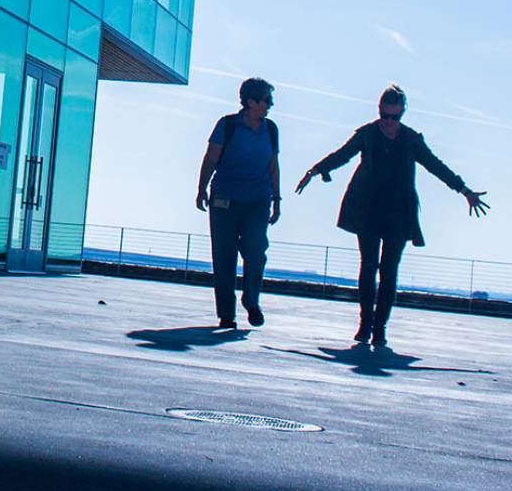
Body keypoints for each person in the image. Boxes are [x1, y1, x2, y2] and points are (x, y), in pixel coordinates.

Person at [295, 85, 487, 348]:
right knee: (368, 267)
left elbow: (436, 166)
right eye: (384, 115)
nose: (388, 122)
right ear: (379, 111)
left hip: (399, 213)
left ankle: (380, 328)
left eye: (394, 117)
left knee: (389, 271)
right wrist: (315, 170)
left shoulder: (411, 139)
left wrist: (464, 190)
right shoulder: (367, 134)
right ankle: (364, 324)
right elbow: (343, 154)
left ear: (402, 114)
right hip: (368, 210)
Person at [196, 77, 280, 329]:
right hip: (225, 198)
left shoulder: (271, 129)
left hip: (258, 200)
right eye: (266, 100)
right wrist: (201, 188)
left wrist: (277, 199)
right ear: (251, 101)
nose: (270, 104)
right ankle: (226, 314)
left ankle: (251, 301)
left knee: (256, 250)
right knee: (224, 255)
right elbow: (211, 159)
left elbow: (273, 166)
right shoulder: (227, 125)